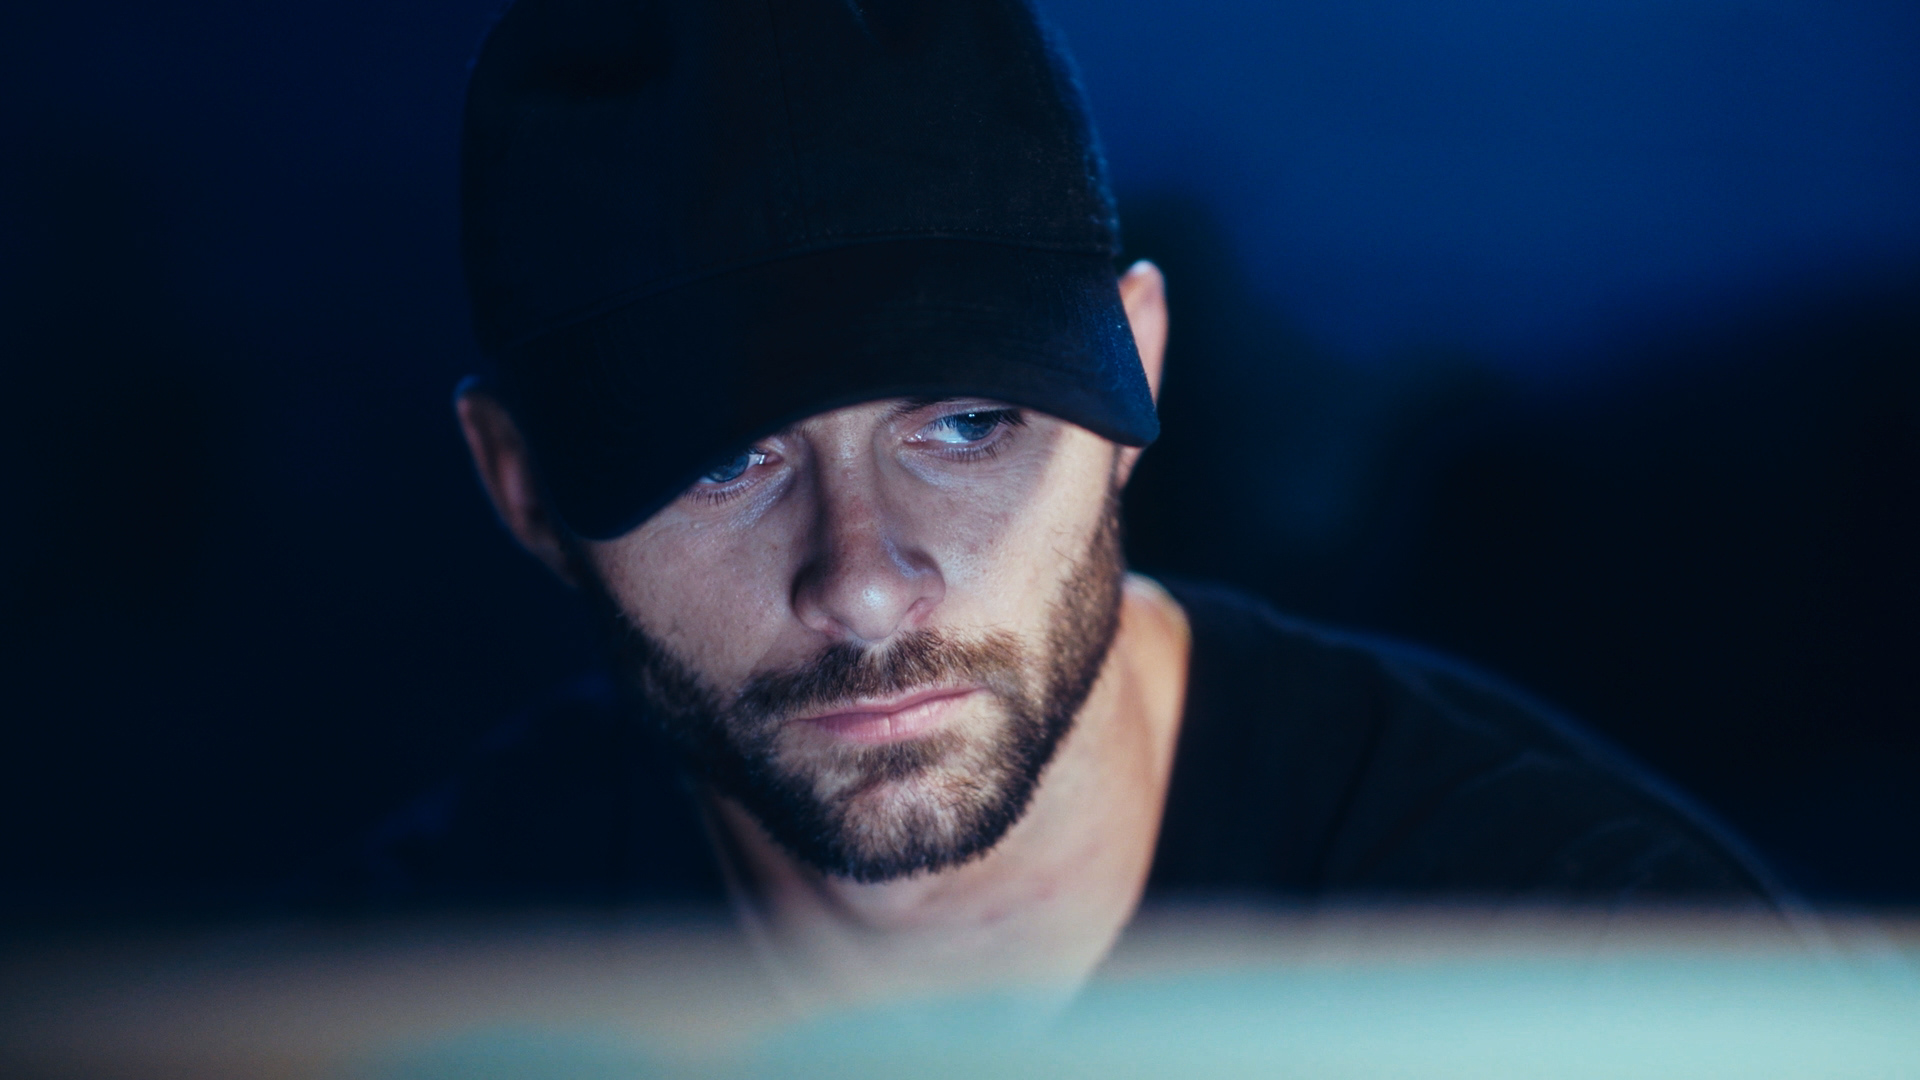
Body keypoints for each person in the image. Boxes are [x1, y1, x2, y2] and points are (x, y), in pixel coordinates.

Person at [350, 0, 1784, 1002]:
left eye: (967, 425)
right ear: (521, 486)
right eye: (724, 461)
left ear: (1138, 377)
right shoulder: (402, 989)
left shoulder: (1594, 974)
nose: (863, 582)